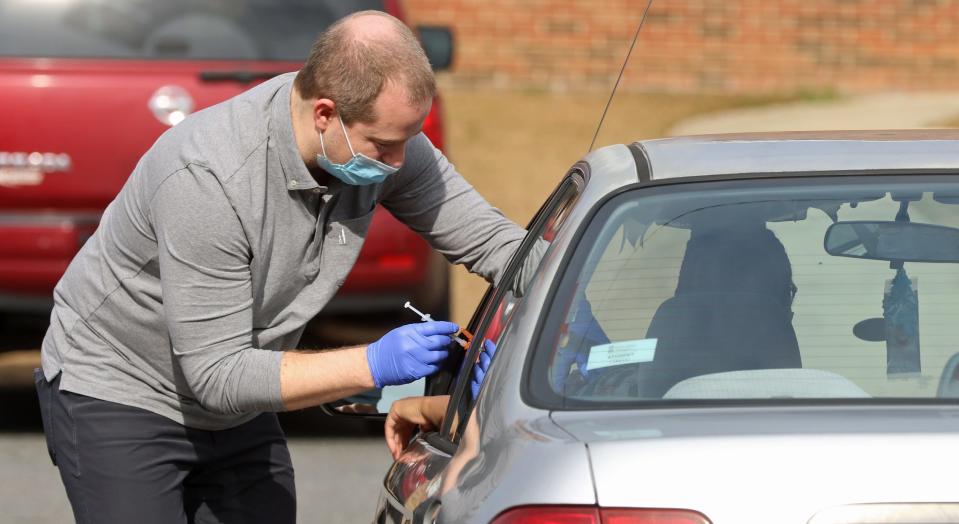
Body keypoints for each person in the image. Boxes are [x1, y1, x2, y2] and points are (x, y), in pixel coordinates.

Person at [33, 11, 525, 524]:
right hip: (121, 388)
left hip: (238, 401)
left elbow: (494, 244)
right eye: (384, 145)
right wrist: (376, 364)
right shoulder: (210, 178)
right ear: (325, 113)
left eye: (408, 140)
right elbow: (218, 373)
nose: (399, 163)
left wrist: (558, 316)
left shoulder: (378, 140)